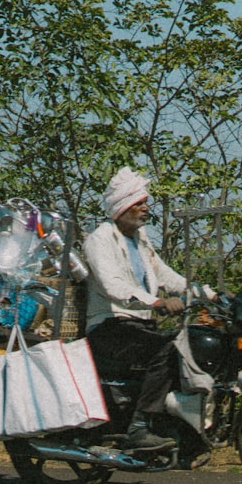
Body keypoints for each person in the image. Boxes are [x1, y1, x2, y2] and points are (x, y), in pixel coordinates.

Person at [83, 167, 189, 452]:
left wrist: (207, 294)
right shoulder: (100, 239)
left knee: (188, 345)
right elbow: (112, 285)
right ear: (122, 207)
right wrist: (156, 302)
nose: (145, 208)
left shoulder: (140, 241)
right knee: (167, 350)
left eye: (146, 202)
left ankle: (169, 423)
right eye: (139, 203)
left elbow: (167, 276)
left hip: (137, 326)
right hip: (109, 327)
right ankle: (139, 427)